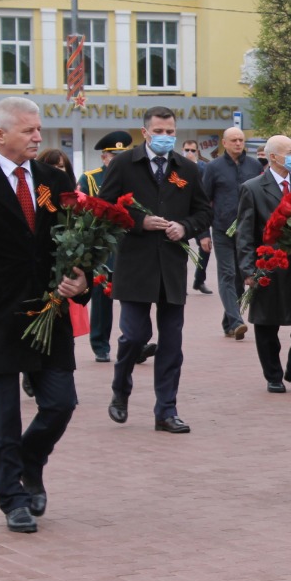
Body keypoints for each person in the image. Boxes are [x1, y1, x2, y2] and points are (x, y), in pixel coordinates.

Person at [0, 98, 90, 533]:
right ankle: (12, 498)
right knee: (0, 417)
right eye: (28, 131)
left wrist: (81, 283)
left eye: (39, 129)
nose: (38, 137)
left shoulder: (54, 178)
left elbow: (75, 243)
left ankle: (29, 461)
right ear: (0, 135)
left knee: (61, 403)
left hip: (49, 312)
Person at [99, 106, 213, 434]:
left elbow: (204, 212)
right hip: (135, 264)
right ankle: (121, 391)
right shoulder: (124, 164)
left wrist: (185, 227)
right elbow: (106, 209)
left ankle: (166, 410)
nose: (166, 137)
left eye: (170, 132)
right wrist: (139, 222)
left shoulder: (187, 169)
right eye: (159, 131)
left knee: (172, 343)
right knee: (133, 336)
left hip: (171, 267)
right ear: (145, 132)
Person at [236, 135, 291, 393]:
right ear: (273, 157)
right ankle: (273, 374)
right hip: (270, 264)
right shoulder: (252, 188)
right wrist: (249, 269)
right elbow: (244, 232)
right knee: (267, 323)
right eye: (290, 151)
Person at [202, 126, 263, 339]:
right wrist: (203, 234)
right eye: (234, 140)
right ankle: (237, 321)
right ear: (224, 143)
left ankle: (229, 321)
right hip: (221, 230)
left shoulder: (254, 166)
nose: (238, 143)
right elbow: (203, 201)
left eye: (241, 140)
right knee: (227, 274)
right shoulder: (213, 168)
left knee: (239, 277)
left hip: (246, 232)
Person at [80, 130, 133, 363]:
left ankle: (133, 341)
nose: (118, 159)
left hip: (130, 245)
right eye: (113, 155)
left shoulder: (134, 178)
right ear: (104, 158)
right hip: (102, 246)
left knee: (133, 298)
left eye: (123, 155)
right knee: (102, 297)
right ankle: (100, 344)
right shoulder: (90, 179)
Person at [181, 139, 214, 295]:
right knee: (180, 249)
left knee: (205, 247)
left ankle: (199, 280)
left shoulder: (204, 168)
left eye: (193, 150)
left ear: (197, 153)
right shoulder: (176, 166)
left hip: (198, 214)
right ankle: (180, 282)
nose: (190, 153)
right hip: (180, 214)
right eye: (187, 149)